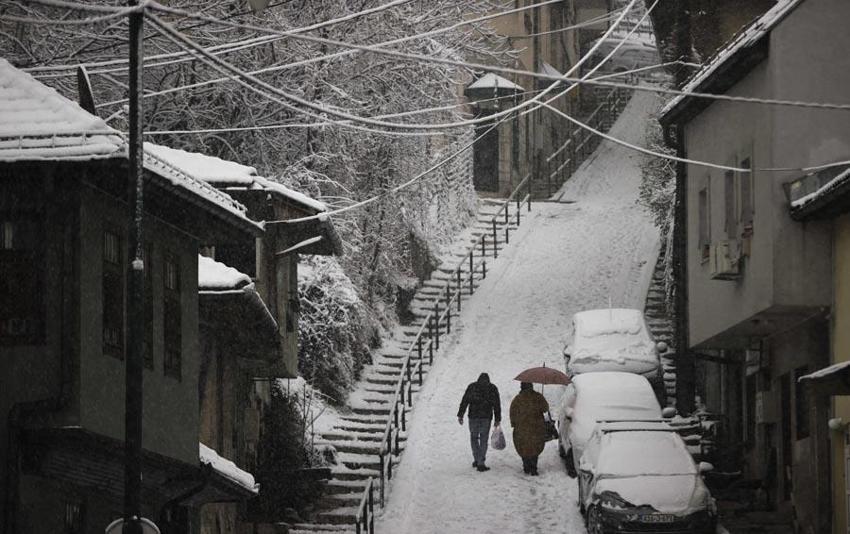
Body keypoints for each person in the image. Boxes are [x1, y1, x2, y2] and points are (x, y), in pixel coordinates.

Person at [457, 373, 501, 472]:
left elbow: (465, 401)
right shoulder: (492, 388)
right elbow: (497, 405)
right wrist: (497, 419)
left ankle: (477, 459)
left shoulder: (472, 387)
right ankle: (481, 462)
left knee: (474, 438)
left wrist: (461, 414)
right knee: (484, 440)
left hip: (473, 417)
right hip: (486, 418)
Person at [509, 382, 549, 476]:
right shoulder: (538, 397)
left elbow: (513, 412)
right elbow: (545, 408)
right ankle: (533, 467)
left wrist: (513, 423)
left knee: (523, 446)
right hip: (537, 427)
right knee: (535, 446)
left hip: (522, 428)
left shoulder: (518, 399)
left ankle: (526, 465)